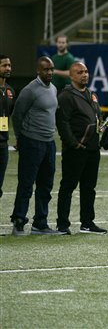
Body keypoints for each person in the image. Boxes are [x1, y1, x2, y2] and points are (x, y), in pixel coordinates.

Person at [55, 61, 108, 235]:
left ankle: (87, 223)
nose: (84, 74)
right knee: (68, 186)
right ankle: (62, 224)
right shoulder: (66, 96)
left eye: (86, 71)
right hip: (76, 149)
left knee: (88, 187)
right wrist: (73, 143)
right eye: (79, 72)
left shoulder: (91, 95)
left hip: (93, 148)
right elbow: (63, 123)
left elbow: (98, 116)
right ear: (71, 76)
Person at [10, 57, 61, 235]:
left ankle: (40, 223)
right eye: (46, 70)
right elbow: (17, 115)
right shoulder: (30, 90)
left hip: (49, 143)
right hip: (31, 142)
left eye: (52, 69)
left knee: (46, 185)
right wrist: (19, 137)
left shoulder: (53, 89)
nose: (50, 73)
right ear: (38, 71)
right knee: (26, 184)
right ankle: (18, 221)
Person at [0, 54, 15, 199]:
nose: (8, 68)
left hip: (3, 143)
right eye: (4, 65)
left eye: (9, 65)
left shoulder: (10, 91)